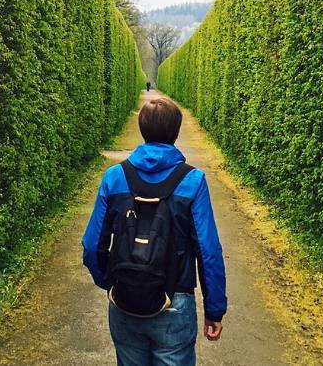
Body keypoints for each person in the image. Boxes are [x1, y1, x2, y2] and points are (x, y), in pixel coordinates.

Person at [82, 98, 226, 365]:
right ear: (176, 131)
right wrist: (214, 309)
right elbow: (209, 251)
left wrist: (113, 282)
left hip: (124, 301)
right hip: (174, 300)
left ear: (142, 129)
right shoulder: (193, 181)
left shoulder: (114, 177)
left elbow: (92, 246)